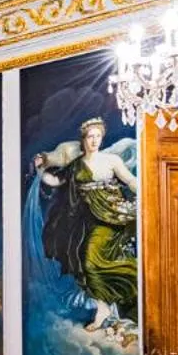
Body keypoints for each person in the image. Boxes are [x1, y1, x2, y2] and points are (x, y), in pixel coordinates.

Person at [33, 118, 140, 333]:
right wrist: (40, 170)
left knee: (92, 262)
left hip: (111, 218)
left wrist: (145, 195)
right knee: (83, 264)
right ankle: (103, 308)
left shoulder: (111, 161)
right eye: (90, 136)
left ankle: (107, 307)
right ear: (84, 139)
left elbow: (130, 181)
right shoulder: (76, 165)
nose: (94, 140)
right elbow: (57, 182)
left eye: (97, 136)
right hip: (84, 222)